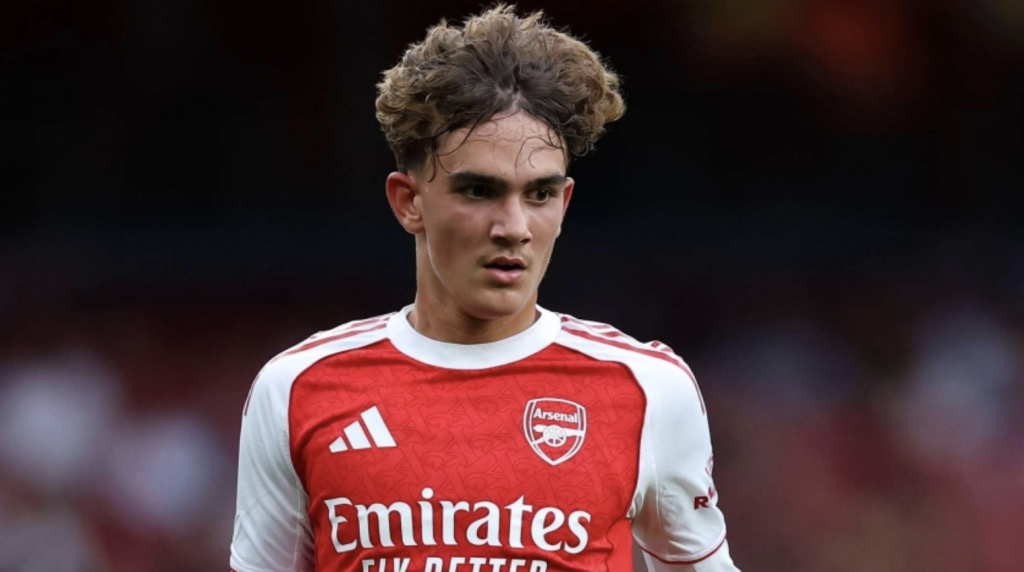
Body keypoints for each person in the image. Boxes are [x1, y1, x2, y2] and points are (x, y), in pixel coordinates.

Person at [230, 5, 741, 572]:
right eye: (479, 191)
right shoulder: (298, 389)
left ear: (565, 203)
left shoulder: (647, 389)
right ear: (408, 201)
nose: (514, 227)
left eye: (539, 194)